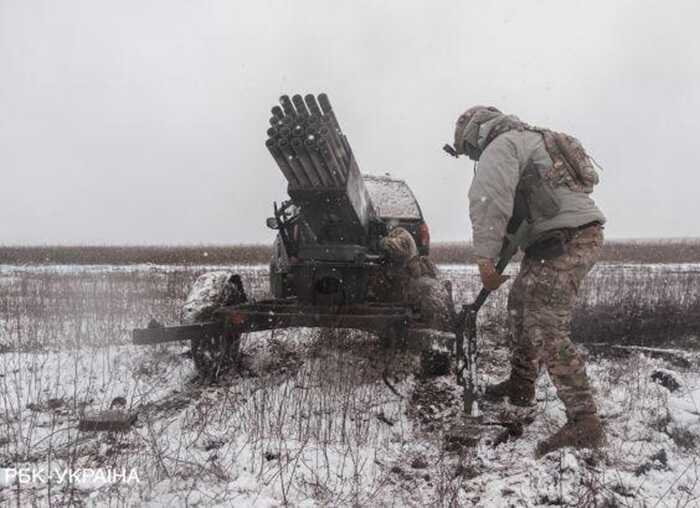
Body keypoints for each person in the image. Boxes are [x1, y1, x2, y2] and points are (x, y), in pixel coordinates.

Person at [448, 105, 606, 458]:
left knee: (545, 327)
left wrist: (485, 261)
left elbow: (489, 201)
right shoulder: (533, 139)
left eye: (470, 149)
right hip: (562, 239)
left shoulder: (502, 145)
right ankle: (521, 385)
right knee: (520, 306)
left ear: (476, 133)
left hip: (566, 241)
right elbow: (524, 210)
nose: (475, 156)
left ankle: (585, 423)